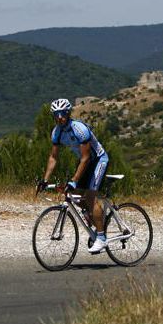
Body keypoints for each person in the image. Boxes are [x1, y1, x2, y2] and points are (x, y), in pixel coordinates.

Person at [39, 98, 110, 253]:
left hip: (98, 160)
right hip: (84, 161)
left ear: (68, 113)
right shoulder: (56, 132)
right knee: (72, 194)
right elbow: (53, 157)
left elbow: (86, 158)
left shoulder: (79, 129)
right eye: (56, 114)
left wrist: (74, 180)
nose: (59, 117)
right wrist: (45, 180)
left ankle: (102, 237)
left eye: (62, 113)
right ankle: (92, 212)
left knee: (90, 195)